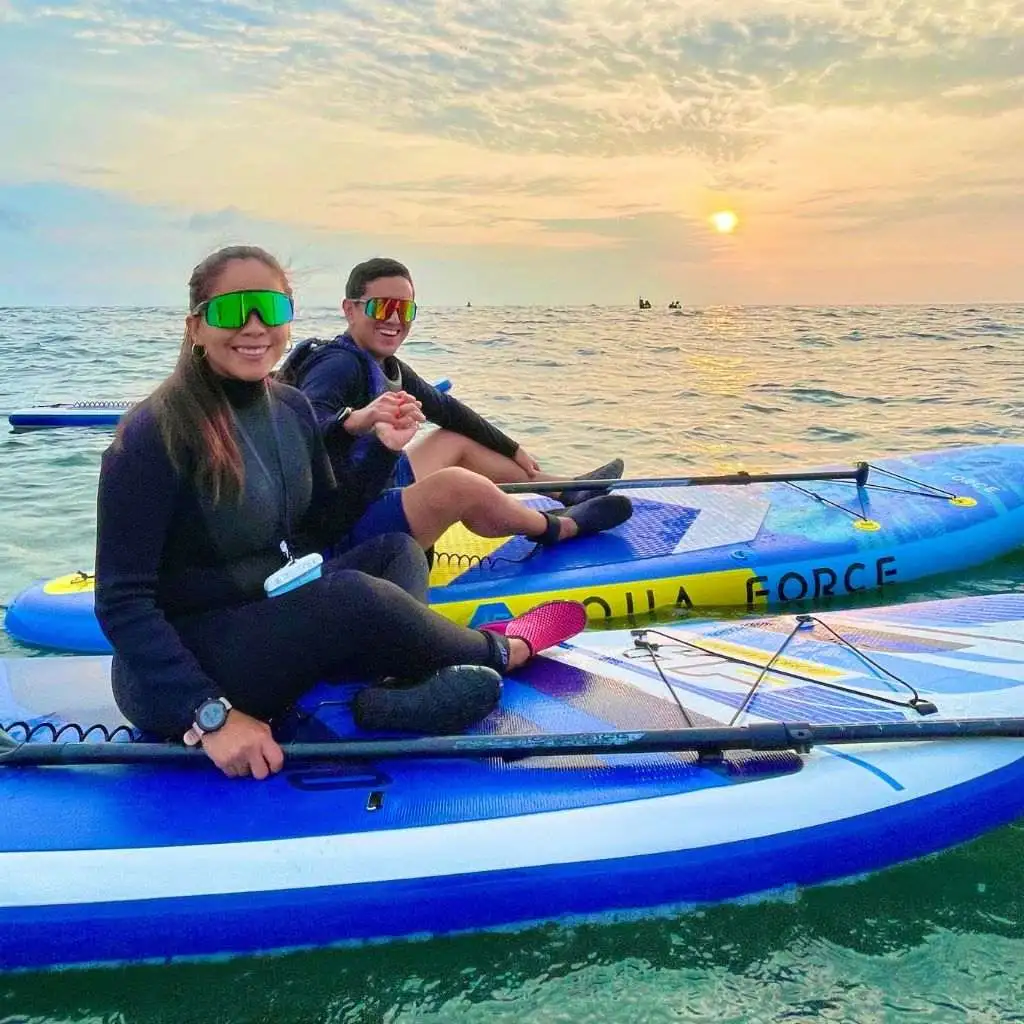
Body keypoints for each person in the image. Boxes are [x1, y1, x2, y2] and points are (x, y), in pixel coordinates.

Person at [93, 245, 588, 782]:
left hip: (267, 623)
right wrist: (212, 717)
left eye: (271, 308)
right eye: (234, 310)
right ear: (196, 326)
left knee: (394, 549)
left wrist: (384, 450)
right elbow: (122, 601)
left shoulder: (289, 408)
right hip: (189, 671)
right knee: (349, 598)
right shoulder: (156, 433)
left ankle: (390, 692)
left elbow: (323, 525)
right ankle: (501, 649)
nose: (255, 326)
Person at [277, 257, 633, 555]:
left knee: (454, 440)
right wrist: (357, 419)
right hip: (343, 524)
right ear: (350, 309)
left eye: (405, 309)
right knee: (458, 485)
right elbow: (304, 425)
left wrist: (513, 448)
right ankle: (561, 527)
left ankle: (566, 489)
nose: (395, 319)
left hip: (376, 484)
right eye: (382, 306)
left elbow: (447, 409)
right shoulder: (337, 364)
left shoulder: (387, 366)